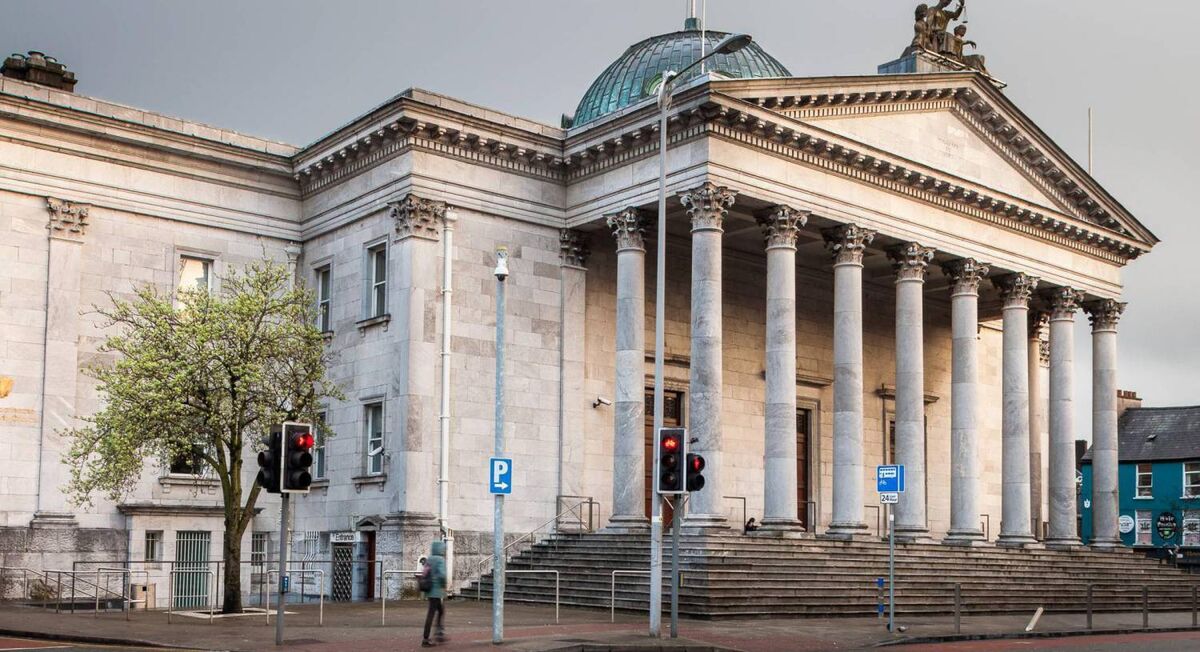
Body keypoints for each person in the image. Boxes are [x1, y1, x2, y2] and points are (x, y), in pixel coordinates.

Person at [421, 540, 447, 647]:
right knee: (431, 614)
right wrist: (443, 585)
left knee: (440, 610)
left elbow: (425, 572)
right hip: (436, 591)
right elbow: (442, 575)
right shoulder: (440, 559)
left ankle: (439, 632)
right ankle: (426, 639)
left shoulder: (430, 559)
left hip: (429, 590)